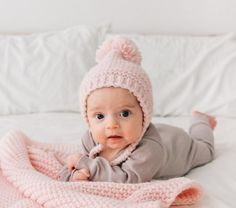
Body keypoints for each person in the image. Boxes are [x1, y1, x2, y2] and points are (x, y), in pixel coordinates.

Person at [59, 36, 217, 183]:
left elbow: (127, 178)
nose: (111, 125)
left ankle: (200, 120)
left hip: (178, 146)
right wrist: (73, 175)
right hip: (160, 133)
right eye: (100, 116)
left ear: (144, 114)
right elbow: (73, 166)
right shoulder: (91, 139)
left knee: (206, 151)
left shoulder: (149, 150)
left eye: (124, 113)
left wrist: (88, 166)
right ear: (88, 118)